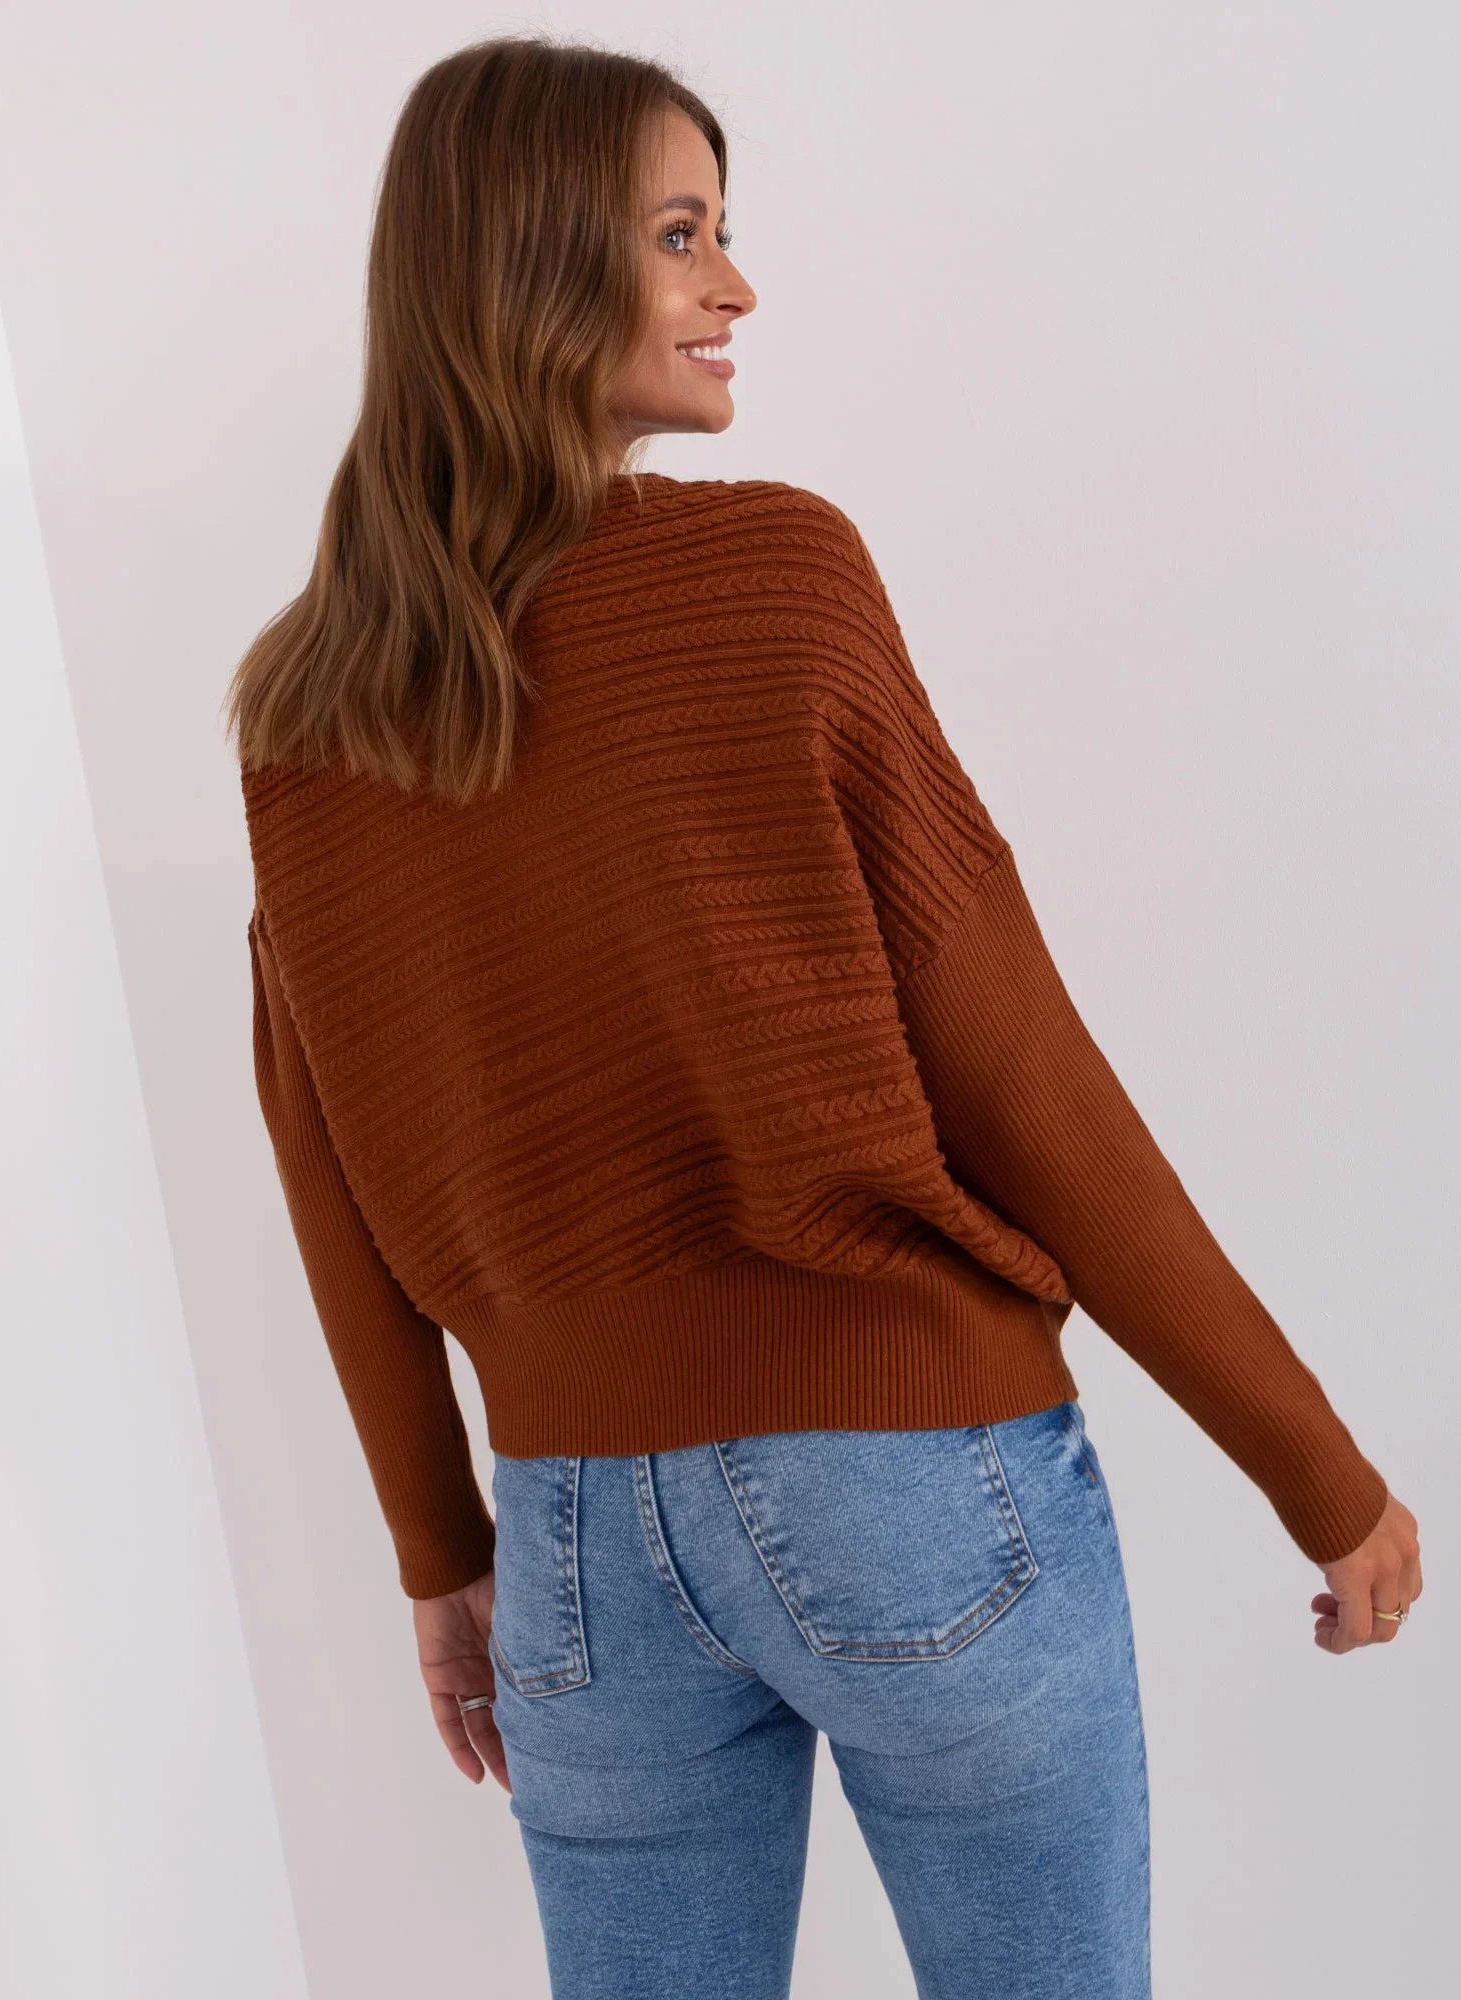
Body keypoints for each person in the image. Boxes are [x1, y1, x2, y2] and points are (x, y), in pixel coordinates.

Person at [223, 36, 1421, 2000]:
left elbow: (325, 1167)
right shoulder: (776, 575)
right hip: (910, 1480)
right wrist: (1315, 1467)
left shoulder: (306, 713)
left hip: (575, 1545)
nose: (737, 285)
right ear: (530, 262)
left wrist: (443, 1556)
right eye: (680, 235)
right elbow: (1017, 1067)